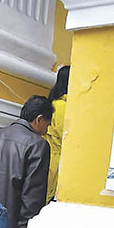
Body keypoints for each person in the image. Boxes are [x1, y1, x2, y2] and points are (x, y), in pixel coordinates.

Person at [0, 95, 52, 228]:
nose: (46, 130)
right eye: (47, 125)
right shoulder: (38, 145)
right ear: (39, 119)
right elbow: (32, 197)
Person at [45, 66, 70, 203]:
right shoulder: (62, 106)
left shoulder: (53, 103)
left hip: (49, 157)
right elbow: (65, 135)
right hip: (56, 160)